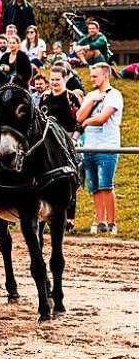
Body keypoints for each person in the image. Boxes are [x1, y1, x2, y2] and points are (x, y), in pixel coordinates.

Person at [76, 62, 122, 234]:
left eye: (95, 75)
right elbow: (79, 117)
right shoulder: (91, 95)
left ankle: (112, 222)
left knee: (106, 185)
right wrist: (92, 101)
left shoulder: (114, 95)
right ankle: (100, 220)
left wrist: (88, 121)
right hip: (90, 147)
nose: (92, 79)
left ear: (105, 75)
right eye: (91, 75)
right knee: (94, 186)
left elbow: (102, 118)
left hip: (107, 146)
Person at [41, 67, 82, 233]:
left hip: (66, 140)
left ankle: (69, 218)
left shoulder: (71, 97)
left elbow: (79, 120)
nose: (54, 82)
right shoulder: (44, 97)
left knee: (69, 177)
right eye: (52, 79)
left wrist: (73, 139)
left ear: (64, 79)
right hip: (48, 141)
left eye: (57, 79)